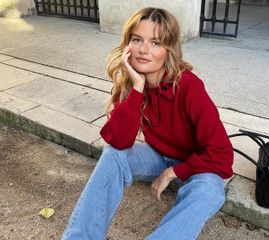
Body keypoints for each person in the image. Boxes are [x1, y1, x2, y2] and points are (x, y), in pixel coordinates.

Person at [62, 7, 233, 240]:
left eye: (155, 42)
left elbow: (223, 156)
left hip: (199, 163)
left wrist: (173, 172)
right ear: (127, 45)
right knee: (113, 155)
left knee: (208, 191)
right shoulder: (132, 84)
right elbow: (120, 142)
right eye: (136, 40)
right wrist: (137, 88)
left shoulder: (189, 86)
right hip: (158, 155)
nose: (143, 50)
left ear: (168, 50)